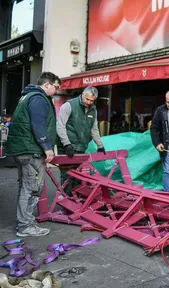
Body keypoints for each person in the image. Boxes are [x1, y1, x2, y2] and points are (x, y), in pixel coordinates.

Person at [6, 72, 61, 237]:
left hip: (23, 149)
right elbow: (38, 124)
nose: (57, 90)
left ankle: (25, 222)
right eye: (56, 87)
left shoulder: (28, 96)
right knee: (31, 188)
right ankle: (25, 226)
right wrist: (47, 147)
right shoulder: (38, 98)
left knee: (26, 187)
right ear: (47, 84)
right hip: (31, 151)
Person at [56, 86, 105, 195]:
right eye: (87, 99)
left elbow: (94, 128)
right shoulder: (69, 105)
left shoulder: (93, 109)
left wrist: (100, 145)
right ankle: (66, 200)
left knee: (78, 175)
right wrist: (66, 144)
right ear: (82, 94)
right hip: (66, 146)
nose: (89, 102)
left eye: (92, 100)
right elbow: (60, 126)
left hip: (81, 146)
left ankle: (76, 201)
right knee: (67, 174)